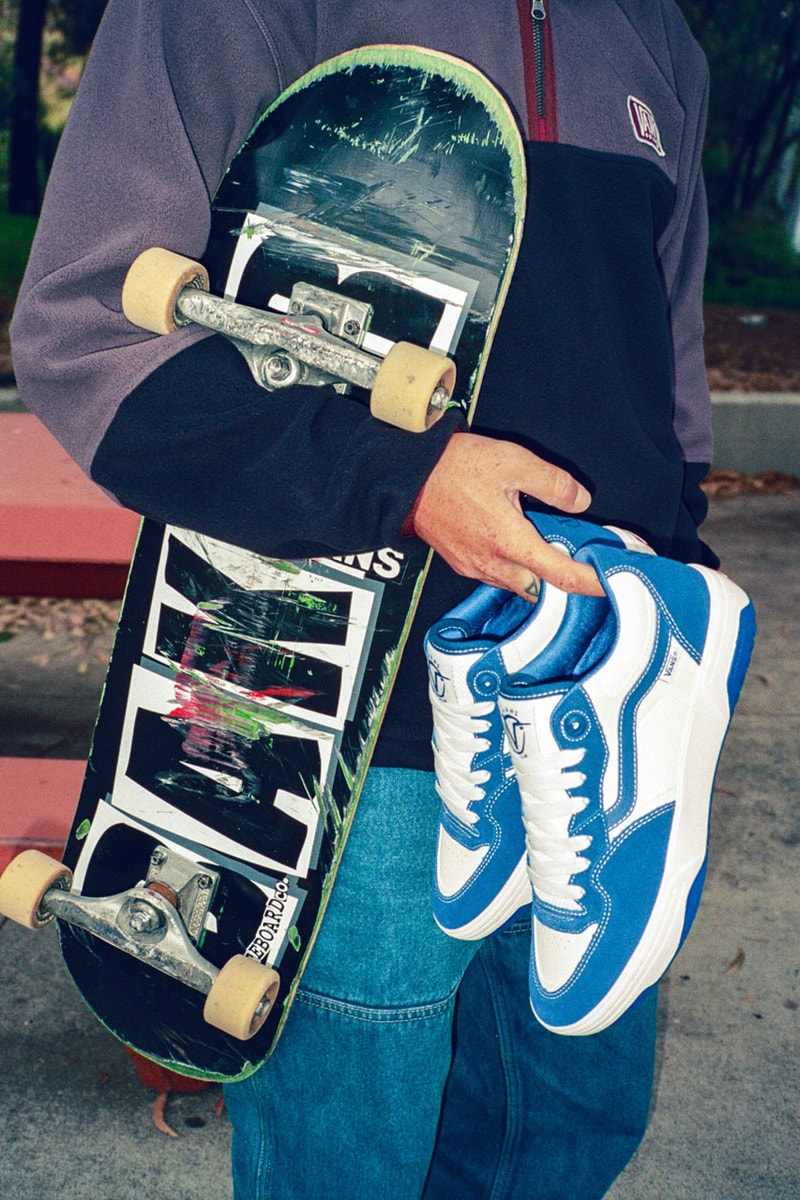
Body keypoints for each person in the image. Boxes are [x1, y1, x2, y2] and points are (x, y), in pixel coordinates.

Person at [10, 2, 715, 1197]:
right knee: (352, 1159)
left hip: (599, 709)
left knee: (573, 1125)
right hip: (345, 730)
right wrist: (402, 479)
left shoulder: (654, 32)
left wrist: (681, 603)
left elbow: (670, 378)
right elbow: (85, 334)